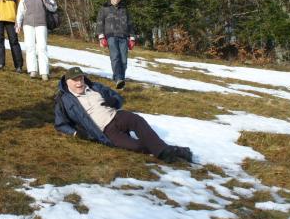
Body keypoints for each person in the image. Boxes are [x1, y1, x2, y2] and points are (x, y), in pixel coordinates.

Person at [54, 67, 193, 163]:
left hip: (116, 116)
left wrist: (114, 100)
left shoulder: (95, 86)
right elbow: (60, 123)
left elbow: (117, 97)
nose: (79, 83)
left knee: (137, 119)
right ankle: (174, 151)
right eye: (75, 80)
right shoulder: (64, 100)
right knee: (136, 147)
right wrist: (75, 133)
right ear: (67, 82)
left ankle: (164, 151)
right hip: (105, 130)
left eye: (81, 79)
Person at [15, 0, 58, 81]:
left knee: (42, 48)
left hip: (41, 24)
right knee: (30, 47)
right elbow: (20, 11)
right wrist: (18, 24)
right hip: (28, 24)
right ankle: (32, 70)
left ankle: (44, 72)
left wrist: (45, 1)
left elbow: (54, 8)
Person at [96, 0, 136, 90]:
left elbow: (130, 23)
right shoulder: (104, 8)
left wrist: (132, 38)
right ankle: (119, 79)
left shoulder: (124, 9)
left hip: (123, 36)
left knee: (124, 60)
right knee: (115, 57)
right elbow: (100, 23)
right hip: (111, 36)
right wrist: (101, 37)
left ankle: (119, 79)